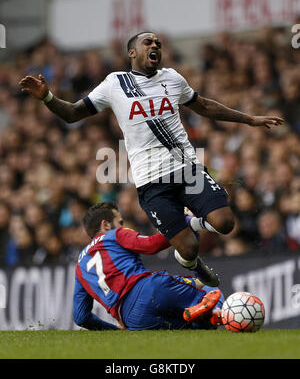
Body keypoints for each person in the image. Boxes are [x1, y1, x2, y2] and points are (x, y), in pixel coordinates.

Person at [19, 32, 284, 286]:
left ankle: (191, 221)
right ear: (132, 52)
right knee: (189, 248)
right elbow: (73, 113)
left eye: (158, 42)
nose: (155, 45)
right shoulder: (115, 83)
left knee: (225, 224)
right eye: (148, 42)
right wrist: (47, 97)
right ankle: (192, 259)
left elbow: (204, 106)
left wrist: (249, 119)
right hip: (151, 182)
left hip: (187, 169)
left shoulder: (172, 78)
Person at [73, 202, 224, 331]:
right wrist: (179, 222)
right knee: (209, 286)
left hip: (132, 319)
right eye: (120, 222)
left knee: (194, 329)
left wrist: (116, 331)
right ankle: (219, 311)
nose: (122, 226)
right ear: (105, 225)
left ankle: (204, 316)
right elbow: (152, 245)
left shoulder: (80, 267)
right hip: (149, 290)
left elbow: (81, 317)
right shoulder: (114, 235)